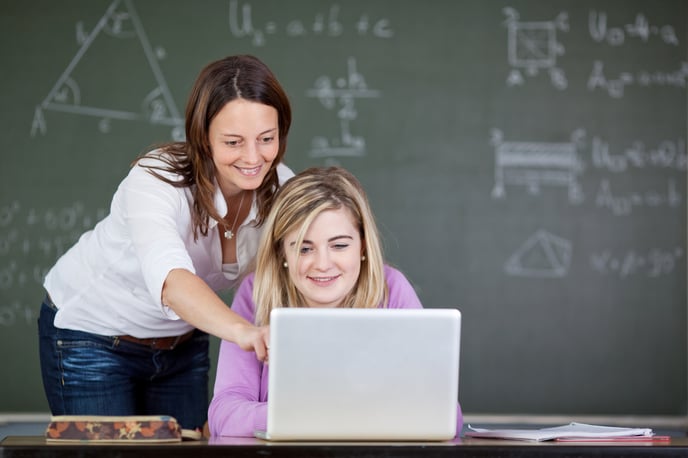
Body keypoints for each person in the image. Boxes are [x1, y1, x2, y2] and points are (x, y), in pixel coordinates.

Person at [38, 54, 294, 430]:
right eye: (233, 142)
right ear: (203, 138)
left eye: (266, 139)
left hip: (183, 345)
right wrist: (245, 332)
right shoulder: (156, 177)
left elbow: (299, 271)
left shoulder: (284, 187)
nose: (253, 157)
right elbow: (172, 282)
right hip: (93, 336)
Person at [207, 166, 464, 437]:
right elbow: (224, 415)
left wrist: (303, 416)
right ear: (282, 249)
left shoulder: (391, 289)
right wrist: (341, 415)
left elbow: (446, 415)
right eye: (304, 248)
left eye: (339, 245)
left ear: (363, 246)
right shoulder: (256, 293)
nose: (322, 264)